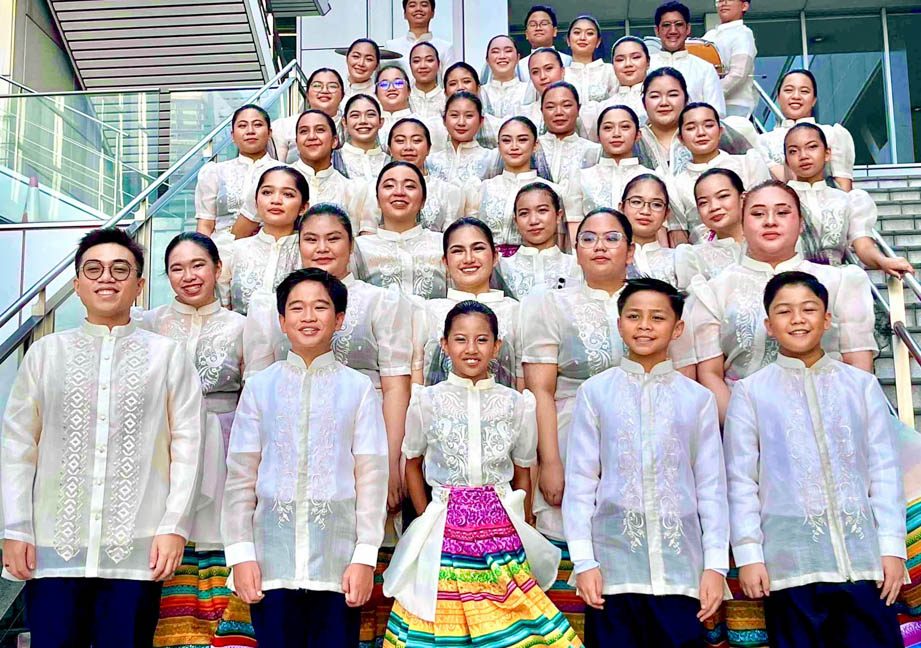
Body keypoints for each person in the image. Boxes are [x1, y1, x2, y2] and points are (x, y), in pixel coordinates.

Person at [1, 228, 203, 646]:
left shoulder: (167, 356)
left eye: (120, 269)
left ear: (139, 285)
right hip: (54, 546)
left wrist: (174, 526)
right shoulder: (45, 354)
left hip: (137, 547)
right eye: (93, 269)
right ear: (77, 284)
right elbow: (18, 447)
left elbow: (188, 446)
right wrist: (16, 528)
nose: (106, 277)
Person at [382, 301, 582, 648]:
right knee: (440, 612)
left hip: (500, 526)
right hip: (444, 524)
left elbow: (523, 471)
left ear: (497, 346)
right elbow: (412, 463)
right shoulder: (426, 401)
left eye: (482, 340)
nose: (471, 349)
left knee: (510, 617)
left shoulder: (516, 404)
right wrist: (427, 514)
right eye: (460, 339)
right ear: (445, 345)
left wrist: (523, 521)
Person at [723, 271, 905, 648]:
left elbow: (884, 471)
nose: (798, 319)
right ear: (769, 325)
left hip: (863, 562)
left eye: (809, 309)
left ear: (827, 319)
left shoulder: (861, 386)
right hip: (791, 567)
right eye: (784, 311)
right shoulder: (751, 393)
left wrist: (891, 546)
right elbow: (740, 481)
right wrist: (750, 554)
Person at [222, 268, 389, 647]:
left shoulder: (358, 388)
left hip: (337, 563)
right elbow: (240, 477)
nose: (308, 316)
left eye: (320, 307)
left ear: (339, 319)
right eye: (297, 308)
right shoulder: (260, 387)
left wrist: (364, 557)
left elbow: (372, 478)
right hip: (270, 562)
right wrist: (241, 554)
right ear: (282, 321)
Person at [564, 277, 728, 648]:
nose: (645, 326)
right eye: (634, 316)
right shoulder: (595, 392)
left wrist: (715, 566)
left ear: (677, 328)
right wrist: (584, 562)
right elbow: (581, 482)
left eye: (657, 317)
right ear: (619, 323)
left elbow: (711, 488)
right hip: (612, 572)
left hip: (680, 572)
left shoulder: (697, 399)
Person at [521, 208, 635, 632]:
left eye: (611, 238)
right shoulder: (551, 304)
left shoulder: (650, 300)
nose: (600, 246)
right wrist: (551, 461)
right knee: (572, 532)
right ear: (575, 248)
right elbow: (541, 389)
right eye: (588, 238)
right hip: (571, 430)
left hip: (638, 432)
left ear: (630, 250)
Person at [685, 180, 877, 423]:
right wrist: (745, 430)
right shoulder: (713, 291)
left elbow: (857, 364)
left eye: (783, 212)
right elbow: (710, 374)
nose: (770, 221)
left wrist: (837, 424)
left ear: (801, 223)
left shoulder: (840, 282)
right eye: (757, 214)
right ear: (742, 223)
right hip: (744, 420)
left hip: (834, 416)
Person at [139, 233, 244, 648]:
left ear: (218, 268)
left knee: (221, 533)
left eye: (198, 265)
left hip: (226, 440)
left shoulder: (243, 326)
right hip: (164, 446)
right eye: (177, 268)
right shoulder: (149, 323)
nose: (189, 276)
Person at [784, 123, 912, 275]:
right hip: (788, 282)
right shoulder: (777, 200)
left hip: (836, 282)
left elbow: (863, 245)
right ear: (787, 160)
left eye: (812, 147)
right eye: (793, 151)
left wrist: (884, 261)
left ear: (827, 153)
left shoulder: (847, 200)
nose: (803, 156)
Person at [413, 218, 523, 388]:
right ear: (445, 262)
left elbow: (523, 383)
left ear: (495, 256)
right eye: (458, 251)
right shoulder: (426, 311)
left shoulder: (516, 312)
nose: (469, 259)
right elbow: (417, 380)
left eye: (478, 248)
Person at [233, 110, 366, 238]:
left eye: (320, 130)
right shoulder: (272, 179)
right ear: (297, 142)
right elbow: (238, 235)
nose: (312, 137)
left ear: (334, 141)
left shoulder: (352, 189)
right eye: (304, 131)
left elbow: (353, 241)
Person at [671, 102, 770, 242]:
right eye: (691, 128)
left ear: (720, 131)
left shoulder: (748, 163)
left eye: (708, 125)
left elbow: (767, 209)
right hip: (704, 251)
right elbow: (678, 236)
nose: (701, 133)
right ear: (681, 138)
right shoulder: (675, 184)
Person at [468, 116, 564, 252]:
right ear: (498, 145)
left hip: (534, 260)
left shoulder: (553, 191)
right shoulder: (482, 189)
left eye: (522, 140)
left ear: (535, 145)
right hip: (489, 261)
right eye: (506, 140)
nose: (514, 147)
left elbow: (561, 242)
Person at [353, 161, 447, 300]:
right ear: (377, 199)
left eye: (409, 186)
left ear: (423, 200)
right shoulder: (359, 248)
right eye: (389, 186)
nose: (399, 192)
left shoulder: (443, 244)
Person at [219, 166, 304, 315]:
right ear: (256, 203)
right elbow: (223, 312)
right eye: (267, 192)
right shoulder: (233, 251)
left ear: (303, 207)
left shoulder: (310, 252)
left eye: (288, 194)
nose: (276, 200)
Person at [756, 69, 856, 190]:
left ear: (814, 100)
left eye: (804, 91)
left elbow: (844, 185)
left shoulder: (832, 133)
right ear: (778, 98)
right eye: (788, 90)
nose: (796, 96)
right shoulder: (762, 141)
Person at [195, 105, 274, 249]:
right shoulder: (215, 172)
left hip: (270, 249)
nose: (250, 131)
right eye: (242, 126)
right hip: (222, 251)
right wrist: (204, 256)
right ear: (232, 136)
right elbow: (205, 225)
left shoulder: (285, 172)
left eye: (257, 125)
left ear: (269, 133)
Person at [372, 117, 469, 232]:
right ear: (390, 149)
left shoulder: (448, 191)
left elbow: (452, 237)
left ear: (428, 148)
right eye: (400, 141)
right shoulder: (375, 188)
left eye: (417, 141)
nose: (408, 147)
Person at [538, 81, 602, 242]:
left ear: (578, 109)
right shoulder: (531, 148)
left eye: (566, 105)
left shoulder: (594, 151)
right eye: (550, 107)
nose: (558, 112)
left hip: (580, 236)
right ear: (541, 111)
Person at [498, 182, 583, 300]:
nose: (533, 221)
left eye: (542, 211)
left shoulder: (578, 265)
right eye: (524, 213)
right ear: (515, 221)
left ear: (558, 216)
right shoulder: (501, 268)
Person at [576, 105, 658, 219]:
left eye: (625, 127)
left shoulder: (653, 178)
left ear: (638, 134)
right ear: (598, 136)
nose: (616, 134)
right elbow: (574, 224)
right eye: (608, 128)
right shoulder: (581, 178)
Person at [649, 1, 726, 117]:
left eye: (679, 24)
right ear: (657, 31)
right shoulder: (645, 67)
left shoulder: (705, 69)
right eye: (666, 25)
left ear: (688, 29)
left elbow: (717, 113)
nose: (673, 31)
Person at [673, 168, 747, 285]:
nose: (714, 207)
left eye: (723, 196)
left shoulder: (769, 243)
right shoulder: (694, 257)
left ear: (742, 198)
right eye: (703, 203)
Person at [620, 174, 681, 287]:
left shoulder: (678, 260)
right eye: (636, 202)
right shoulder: (609, 257)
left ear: (666, 214)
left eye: (656, 204)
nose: (645, 211)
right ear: (621, 208)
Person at [581, 37, 651, 135]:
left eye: (635, 57)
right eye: (620, 59)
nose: (628, 64)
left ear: (648, 62)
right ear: (613, 66)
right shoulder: (599, 109)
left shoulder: (658, 102)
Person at [274, 68, 345, 163]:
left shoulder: (350, 125)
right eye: (317, 86)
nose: (324, 90)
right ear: (307, 94)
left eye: (332, 86)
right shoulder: (284, 126)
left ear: (342, 95)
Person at [426, 91, 497, 186]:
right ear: (444, 120)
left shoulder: (491, 160)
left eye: (469, 116)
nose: (461, 122)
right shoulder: (430, 162)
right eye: (454, 115)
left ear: (481, 121)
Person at [702, 0, 757, 119]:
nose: (724, 3)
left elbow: (738, 75)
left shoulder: (743, 34)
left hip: (735, 108)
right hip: (708, 107)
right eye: (720, 0)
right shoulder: (709, 35)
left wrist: (709, 94)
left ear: (744, 6)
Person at [637, 67, 692, 174]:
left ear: (686, 99)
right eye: (655, 96)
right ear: (644, 103)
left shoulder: (703, 134)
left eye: (673, 95)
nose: (664, 103)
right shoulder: (633, 140)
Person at [385, 0, 455, 72]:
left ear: (433, 13)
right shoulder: (391, 47)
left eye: (424, 5)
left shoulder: (446, 48)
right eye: (412, 5)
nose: (418, 9)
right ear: (404, 14)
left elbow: (451, 77)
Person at [564, 15, 616, 104]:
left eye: (590, 33)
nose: (582, 38)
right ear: (568, 40)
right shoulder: (562, 73)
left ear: (598, 42)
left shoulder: (609, 71)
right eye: (577, 32)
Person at [340, 94, 389, 182]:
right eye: (355, 115)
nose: (363, 121)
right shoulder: (332, 159)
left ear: (381, 122)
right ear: (344, 122)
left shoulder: (390, 161)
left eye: (370, 115)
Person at [517, 5, 573, 78]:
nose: (538, 28)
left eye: (544, 24)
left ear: (554, 31)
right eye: (533, 25)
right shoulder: (519, 66)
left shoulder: (568, 61)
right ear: (526, 34)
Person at [482, 35, 527, 119]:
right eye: (495, 52)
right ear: (487, 60)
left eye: (508, 51)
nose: (502, 56)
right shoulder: (480, 93)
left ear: (518, 57)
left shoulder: (529, 91)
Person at [408, 42, 446, 119]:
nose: (423, 66)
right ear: (410, 66)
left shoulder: (447, 99)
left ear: (438, 64)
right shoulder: (403, 98)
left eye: (429, 60)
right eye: (416, 61)